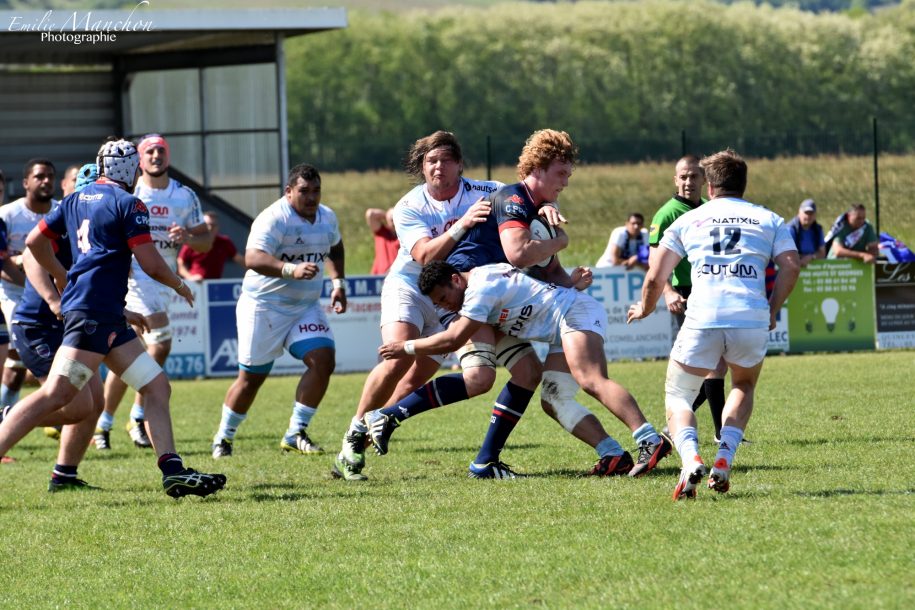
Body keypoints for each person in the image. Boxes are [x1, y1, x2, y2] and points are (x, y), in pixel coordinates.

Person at [365, 129, 669, 479]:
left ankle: (639, 441)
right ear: (539, 167)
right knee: (536, 389)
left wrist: (561, 259)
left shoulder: (516, 203)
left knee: (549, 379)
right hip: (474, 291)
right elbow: (518, 252)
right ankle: (611, 452)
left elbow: (538, 259)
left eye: (568, 175)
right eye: (562, 174)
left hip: (518, 303)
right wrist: (560, 241)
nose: (566, 183)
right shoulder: (509, 202)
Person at [0, 138, 226, 498]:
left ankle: (172, 470)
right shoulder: (128, 203)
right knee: (58, 395)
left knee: (155, 385)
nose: (140, 171)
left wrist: (62, 275)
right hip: (92, 316)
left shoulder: (74, 199)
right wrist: (180, 284)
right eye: (136, 165)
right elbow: (151, 263)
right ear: (129, 169)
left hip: (104, 317)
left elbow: (33, 242)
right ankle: (9, 421)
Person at [376, 260, 666, 476]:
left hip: (575, 313)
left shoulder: (480, 289)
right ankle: (612, 455)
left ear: (456, 279)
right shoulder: (480, 280)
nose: (447, 306)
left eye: (444, 298)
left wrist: (407, 346)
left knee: (591, 379)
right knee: (553, 399)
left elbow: (454, 338)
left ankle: (649, 439)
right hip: (560, 325)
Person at [628, 148, 800, 500]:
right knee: (744, 385)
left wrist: (645, 308)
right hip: (749, 316)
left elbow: (654, 277)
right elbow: (791, 265)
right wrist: (772, 308)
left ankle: (690, 457)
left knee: (678, 395)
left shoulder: (689, 220)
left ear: (709, 187)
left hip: (702, 316)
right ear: (743, 184)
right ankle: (724, 457)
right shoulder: (768, 219)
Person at [332, 131, 502, 481]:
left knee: (410, 387)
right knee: (398, 359)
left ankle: (351, 455)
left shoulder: (486, 191)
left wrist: (544, 206)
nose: (438, 167)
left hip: (452, 294)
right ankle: (353, 432)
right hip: (409, 285)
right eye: (430, 161)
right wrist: (465, 225)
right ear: (422, 167)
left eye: (444, 160)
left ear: (459, 164)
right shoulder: (411, 205)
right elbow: (424, 255)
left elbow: (523, 198)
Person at [2, 167, 148, 490]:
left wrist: (121, 312)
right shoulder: (65, 215)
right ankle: (8, 416)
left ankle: (64, 475)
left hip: (72, 325)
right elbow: (30, 256)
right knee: (75, 404)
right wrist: (55, 300)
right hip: (40, 324)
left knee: (92, 404)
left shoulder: (97, 224)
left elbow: (89, 288)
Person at [209, 163, 347, 459]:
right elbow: (252, 257)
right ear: (288, 192)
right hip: (264, 306)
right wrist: (290, 269)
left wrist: (338, 283)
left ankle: (296, 432)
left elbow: (335, 248)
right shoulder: (274, 218)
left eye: (316, 191)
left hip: (304, 307)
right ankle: (224, 436)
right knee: (251, 379)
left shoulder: (327, 217)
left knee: (323, 360)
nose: (311, 198)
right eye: (304, 191)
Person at [97, 133, 213, 451]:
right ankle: (136, 417)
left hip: (162, 280)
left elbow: (206, 241)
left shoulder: (184, 195)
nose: (156, 156)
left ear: (168, 156)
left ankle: (104, 423)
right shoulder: (131, 191)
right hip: (134, 277)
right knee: (160, 341)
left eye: (161, 150)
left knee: (127, 357)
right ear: (140, 159)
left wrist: (188, 234)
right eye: (150, 151)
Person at [648, 155, 728, 441]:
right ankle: (718, 432)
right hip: (684, 293)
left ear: (704, 180)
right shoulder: (667, 213)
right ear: (675, 179)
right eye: (683, 176)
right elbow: (655, 260)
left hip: (708, 292)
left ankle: (677, 424)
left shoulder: (708, 210)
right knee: (711, 364)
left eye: (694, 176)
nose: (688, 182)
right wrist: (667, 291)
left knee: (714, 363)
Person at [0, 158, 59, 415]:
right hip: (13, 295)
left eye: (50, 176)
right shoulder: (7, 215)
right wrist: (34, 285)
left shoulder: (61, 211)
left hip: (53, 294)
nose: (46, 181)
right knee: (37, 359)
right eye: (39, 176)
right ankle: (65, 414)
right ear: (25, 182)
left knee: (16, 370)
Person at [177, 211, 245, 281]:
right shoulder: (193, 240)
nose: (209, 228)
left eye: (213, 225)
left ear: (218, 227)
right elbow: (180, 263)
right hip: (196, 286)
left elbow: (240, 259)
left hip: (214, 286)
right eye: (206, 225)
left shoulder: (224, 242)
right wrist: (190, 277)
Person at [787, 199, 825, 267]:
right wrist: (802, 259)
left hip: (812, 271)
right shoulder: (791, 229)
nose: (808, 216)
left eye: (811, 213)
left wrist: (811, 257)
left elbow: (822, 253)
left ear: (815, 215)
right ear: (799, 212)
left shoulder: (818, 229)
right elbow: (787, 253)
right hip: (793, 267)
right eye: (806, 213)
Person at [365, 207, 399, 275]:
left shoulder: (404, 236)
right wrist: (387, 215)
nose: (393, 221)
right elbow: (370, 214)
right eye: (392, 219)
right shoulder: (382, 232)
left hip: (396, 277)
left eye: (396, 218)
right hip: (377, 276)